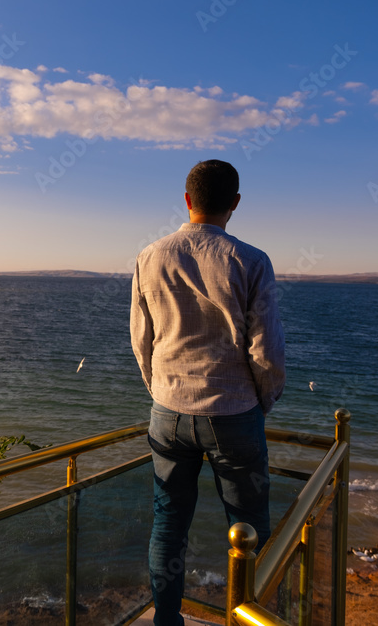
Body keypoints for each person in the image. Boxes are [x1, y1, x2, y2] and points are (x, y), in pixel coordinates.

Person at [130, 159, 286, 625]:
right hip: (233, 413)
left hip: (168, 413)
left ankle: (166, 620)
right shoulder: (252, 261)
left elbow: (142, 340)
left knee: (168, 524)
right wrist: (263, 401)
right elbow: (268, 354)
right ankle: (251, 616)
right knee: (250, 528)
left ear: (186, 199)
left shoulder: (150, 255)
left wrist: (160, 392)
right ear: (235, 204)